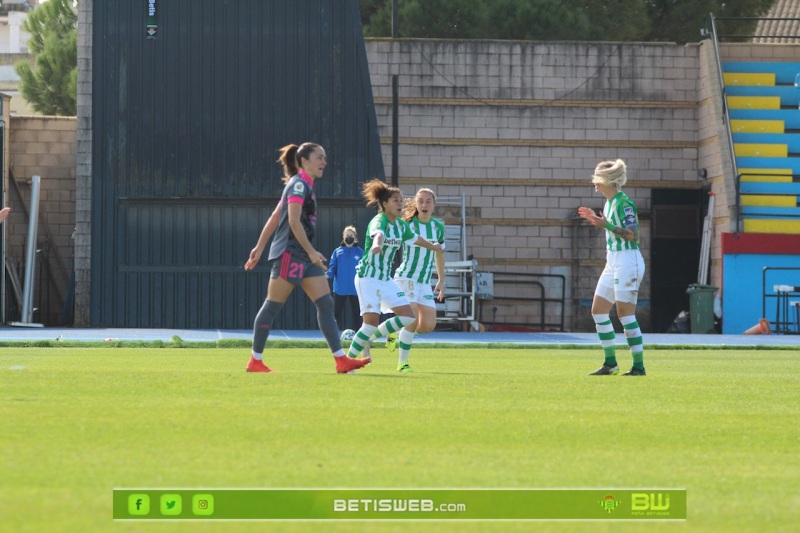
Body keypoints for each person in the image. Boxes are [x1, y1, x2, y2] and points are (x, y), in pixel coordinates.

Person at [243, 143, 371, 374]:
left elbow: (275, 216)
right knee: (272, 306)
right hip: (290, 255)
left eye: (325, 157)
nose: (324, 162)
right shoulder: (299, 184)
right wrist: (310, 252)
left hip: (301, 255)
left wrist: (260, 247)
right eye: (319, 157)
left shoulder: (303, 185)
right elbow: (291, 221)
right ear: (304, 161)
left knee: (325, 303)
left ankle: (341, 360)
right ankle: (255, 361)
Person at [345, 179, 444, 365]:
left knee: (408, 317)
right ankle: (348, 360)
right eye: (395, 200)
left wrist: (433, 246)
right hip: (368, 276)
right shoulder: (379, 220)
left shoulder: (400, 225)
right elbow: (378, 234)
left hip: (385, 278)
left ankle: (375, 339)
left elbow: (417, 239)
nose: (400, 203)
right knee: (369, 325)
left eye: (401, 200)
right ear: (384, 204)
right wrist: (376, 244)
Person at [577, 159, 646, 376]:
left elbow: (633, 236)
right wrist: (601, 222)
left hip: (628, 260)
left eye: (598, 178)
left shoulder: (624, 203)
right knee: (598, 311)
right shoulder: (609, 203)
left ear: (609, 180)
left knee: (625, 315)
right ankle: (611, 364)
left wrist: (604, 224)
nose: (594, 182)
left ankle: (638, 366)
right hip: (613, 260)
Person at [385, 188, 445, 372]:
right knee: (410, 320)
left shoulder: (438, 227)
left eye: (428, 201)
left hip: (424, 282)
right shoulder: (407, 225)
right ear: (416, 204)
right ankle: (402, 362)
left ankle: (394, 332)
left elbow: (439, 253)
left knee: (427, 326)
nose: (424, 205)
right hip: (406, 277)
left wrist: (441, 280)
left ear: (434, 204)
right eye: (421, 201)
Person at [326, 225, 363, 331]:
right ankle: (334, 337)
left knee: (357, 313)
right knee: (336, 314)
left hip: (355, 288)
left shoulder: (360, 252)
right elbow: (332, 268)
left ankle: (358, 337)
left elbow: (365, 267)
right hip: (340, 288)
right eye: (347, 235)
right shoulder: (337, 252)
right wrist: (326, 274)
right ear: (343, 237)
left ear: (355, 237)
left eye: (351, 235)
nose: (349, 237)